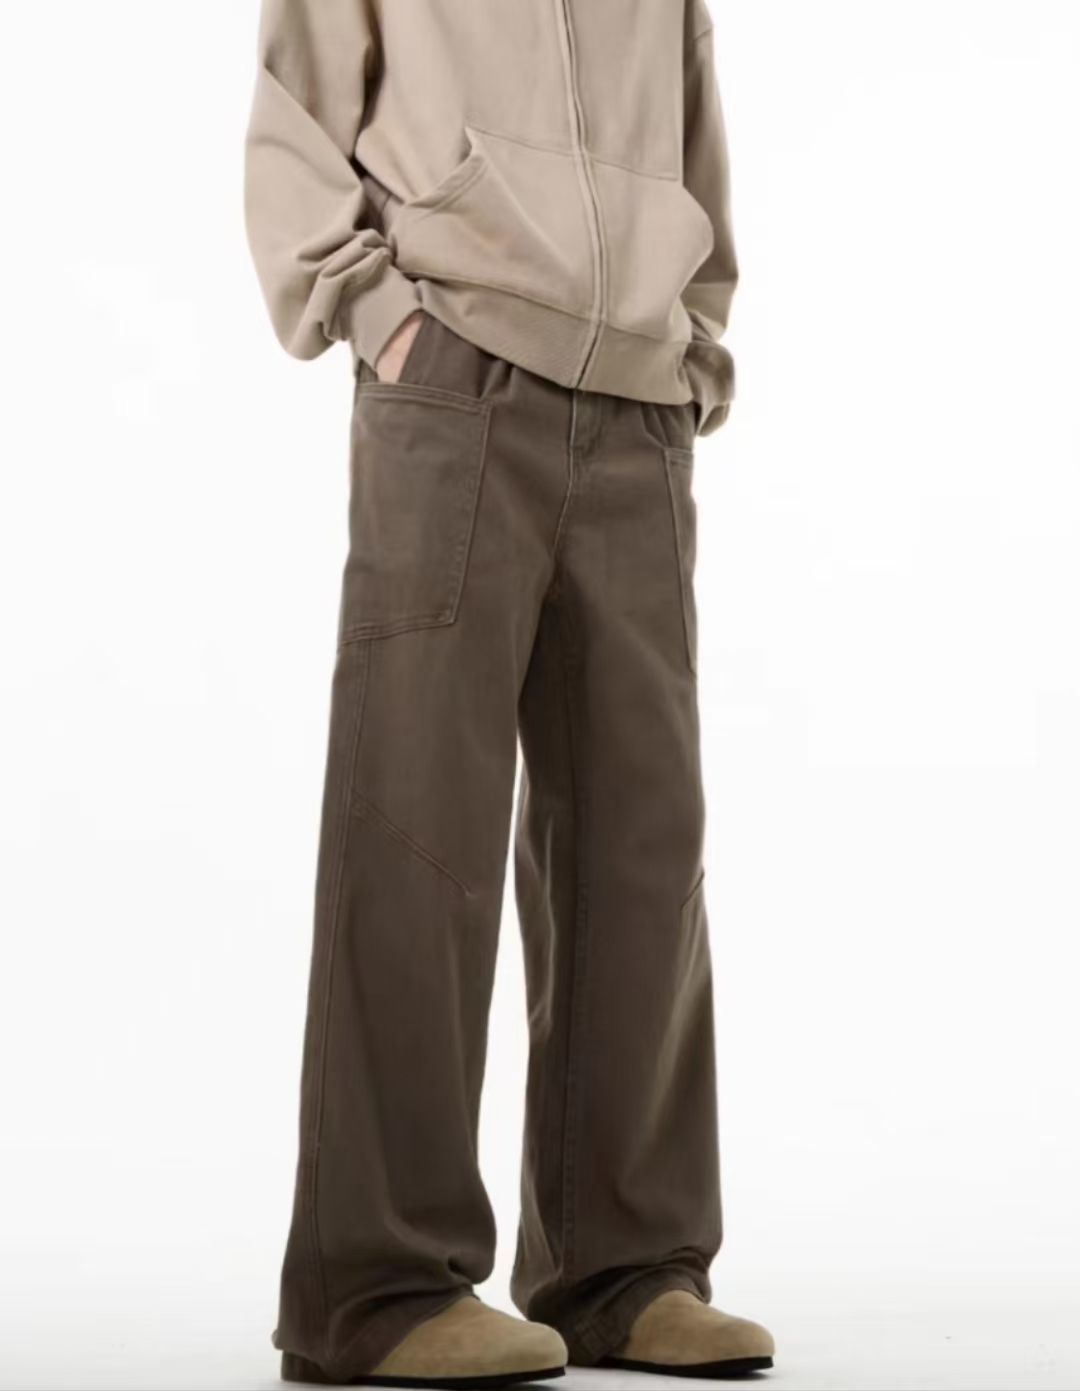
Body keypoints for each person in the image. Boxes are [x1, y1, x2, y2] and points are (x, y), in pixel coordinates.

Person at [244, 0, 774, 1384]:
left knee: (644, 845)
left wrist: (692, 348)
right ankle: (378, 1285)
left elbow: (694, 136)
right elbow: (295, 119)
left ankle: (626, 1268)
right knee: (419, 829)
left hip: (638, 408)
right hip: (453, 380)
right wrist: (380, 317)